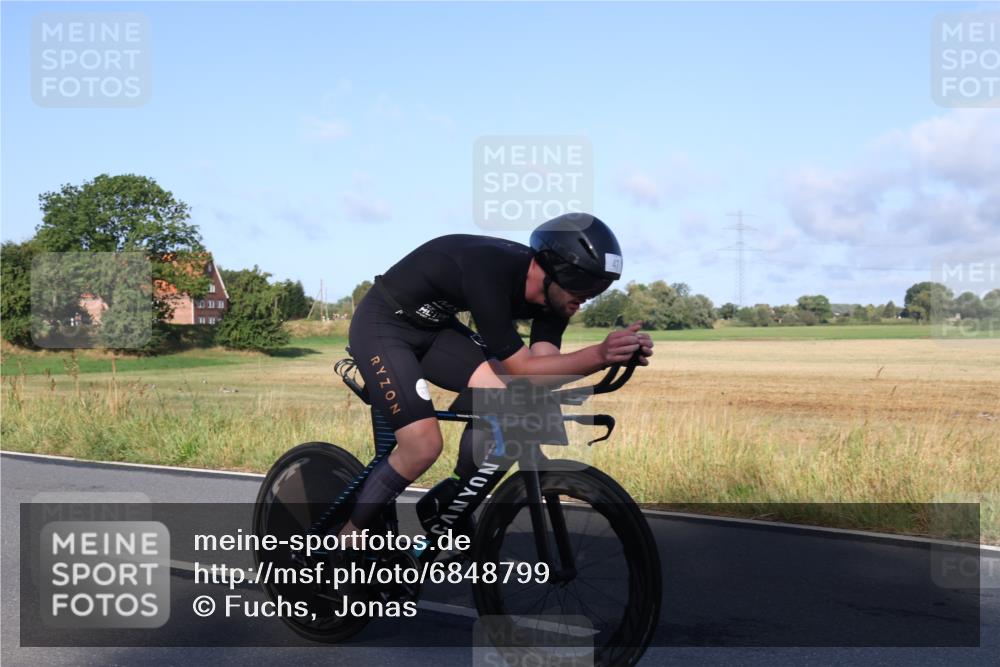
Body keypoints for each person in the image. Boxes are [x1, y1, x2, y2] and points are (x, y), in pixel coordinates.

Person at [340, 212, 653, 542]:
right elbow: (523, 370)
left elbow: (544, 371)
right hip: (383, 326)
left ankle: (450, 501)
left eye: (596, 290)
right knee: (422, 446)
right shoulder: (490, 270)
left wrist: (616, 355)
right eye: (582, 287)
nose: (585, 298)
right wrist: (600, 355)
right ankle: (347, 539)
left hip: (435, 332)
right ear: (552, 269)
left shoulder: (556, 300)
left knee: (515, 397)